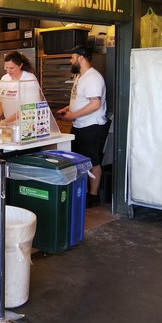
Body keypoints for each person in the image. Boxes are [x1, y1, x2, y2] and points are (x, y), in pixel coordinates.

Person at [56, 45, 107, 207]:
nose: (70, 61)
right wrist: (68, 109)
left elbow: (95, 104)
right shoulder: (80, 76)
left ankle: (93, 196)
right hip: (79, 125)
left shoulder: (93, 78)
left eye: (72, 57)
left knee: (92, 161)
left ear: (81, 58)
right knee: (79, 160)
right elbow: (80, 99)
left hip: (91, 125)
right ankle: (83, 193)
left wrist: (73, 115)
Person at [0, 51, 41, 125]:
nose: (8, 71)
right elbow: (1, 104)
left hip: (27, 125)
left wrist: (4, 122)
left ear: (20, 65)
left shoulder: (29, 79)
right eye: (6, 68)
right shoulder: (5, 78)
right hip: (10, 125)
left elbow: (29, 108)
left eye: (12, 68)